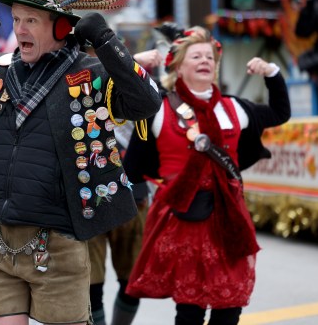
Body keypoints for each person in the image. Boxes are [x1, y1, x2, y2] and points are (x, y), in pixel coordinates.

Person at [0, 0, 162, 325]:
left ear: (62, 28)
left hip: (59, 242)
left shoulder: (91, 73)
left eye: (31, 20)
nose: (20, 29)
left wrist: (105, 39)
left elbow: (146, 102)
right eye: (17, 19)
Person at [123, 25, 291, 325]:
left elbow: (280, 113)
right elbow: (133, 168)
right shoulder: (158, 111)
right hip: (183, 219)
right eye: (195, 55)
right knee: (190, 308)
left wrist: (271, 72)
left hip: (229, 217)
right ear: (177, 66)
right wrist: (132, 64)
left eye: (209, 57)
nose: (205, 60)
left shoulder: (235, 108)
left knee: (230, 308)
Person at [86, 47, 164, 325]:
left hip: (135, 197)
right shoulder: (80, 86)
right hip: (89, 200)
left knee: (133, 280)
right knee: (90, 283)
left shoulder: (143, 87)